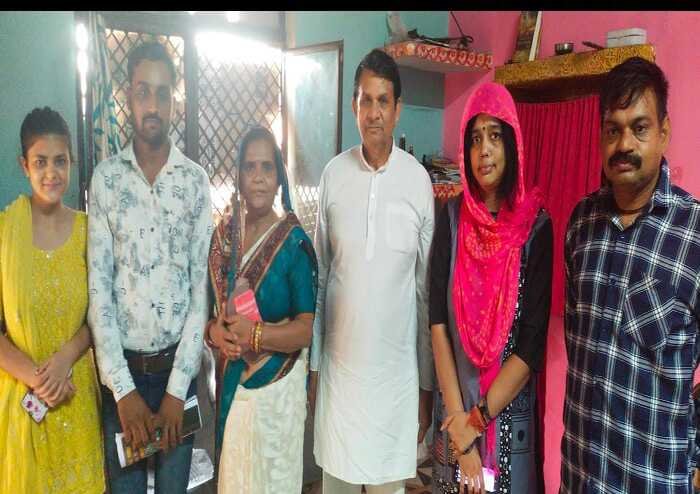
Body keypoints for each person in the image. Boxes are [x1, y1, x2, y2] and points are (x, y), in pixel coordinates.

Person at [560, 57, 700, 493]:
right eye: (612, 129)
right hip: (579, 477)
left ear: (664, 132)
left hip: (654, 481)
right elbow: (577, 348)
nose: (624, 144)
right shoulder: (581, 224)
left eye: (639, 128)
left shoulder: (693, 233)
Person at [87, 41, 213, 494]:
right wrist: (122, 391)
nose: (153, 105)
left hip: (178, 375)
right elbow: (99, 291)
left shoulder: (195, 182)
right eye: (143, 91)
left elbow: (200, 293)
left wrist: (179, 388)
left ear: (174, 99)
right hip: (123, 379)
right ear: (128, 95)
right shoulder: (106, 180)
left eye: (162, 93)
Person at [310, 48, 435, 493]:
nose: (374, 112)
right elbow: (321, 278)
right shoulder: (333, 175)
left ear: (398, 109)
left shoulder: (418, 182)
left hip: (395, 384)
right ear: (354, 106)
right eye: (366, 100)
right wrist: (314, 368)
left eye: (383, 101)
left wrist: (426, 387)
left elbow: (424, 295)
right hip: (340, 381)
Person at [428, 82, 552, 494]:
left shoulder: (536, 228)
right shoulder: (451, 220)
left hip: (507, 420)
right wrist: (461, 434)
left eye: (495, 136)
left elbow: (531, 344)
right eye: (475, 138)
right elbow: (437, 323)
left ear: (512, 145)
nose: (484, 150)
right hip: (455, 411)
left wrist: (476, 421)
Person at [205, 125, 317, 492]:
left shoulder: (293, 243)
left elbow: (305, 329)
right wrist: (215, 333)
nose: (258, 177)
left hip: (276, 397)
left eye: (267, 167)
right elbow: (209, 317)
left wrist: (254, 335)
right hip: (232, 389)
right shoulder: (223, 237)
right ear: (238, 175)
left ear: (279, 176)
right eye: (250, 167)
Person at [0, 107, 105, 493]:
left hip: (76, 398)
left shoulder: (87, 232)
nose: (51, 173)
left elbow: (100, 315)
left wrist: (64, 361)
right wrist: (40, 380)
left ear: (71, 162)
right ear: (24, 165)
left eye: (60, 161)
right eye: (40, 161)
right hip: (24, 398)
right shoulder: (5, 234)